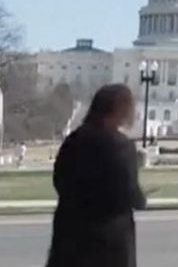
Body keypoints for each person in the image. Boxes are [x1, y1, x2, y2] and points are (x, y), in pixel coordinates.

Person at [46, 84, 147, 267]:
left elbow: (59, 180)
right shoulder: (121, 146)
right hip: (108, 239)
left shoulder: (73, 140)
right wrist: (141, 200)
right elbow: (128, 193)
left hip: (70, 231)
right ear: (121, 110)